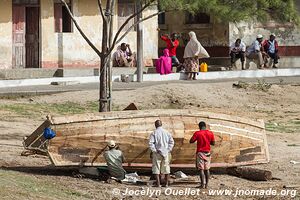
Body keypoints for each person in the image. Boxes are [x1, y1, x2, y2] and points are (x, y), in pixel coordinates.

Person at [149, 120, 174, 187]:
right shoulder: (167, 132)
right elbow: (171, 142)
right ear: (161, 124)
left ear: (155, 125)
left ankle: (158, 184)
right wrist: (168, 150)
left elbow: (151, 143)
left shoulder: (154, 133)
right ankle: (166, 184)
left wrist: (154, 150)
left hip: (157, 153)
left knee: (156, 168)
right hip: (165, 152)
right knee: (166, 168)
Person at [190, 121, 215, 189]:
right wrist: (207, 141)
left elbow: (191, 141)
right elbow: (213, 143)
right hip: (208, 153)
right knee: (207, 169)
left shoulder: (197, 133)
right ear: (205, 126)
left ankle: (202, 184)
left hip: (200, 152)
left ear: (199, 126)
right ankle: (207, 184)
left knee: (201, 169)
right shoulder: (210, 133)